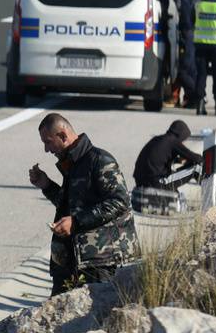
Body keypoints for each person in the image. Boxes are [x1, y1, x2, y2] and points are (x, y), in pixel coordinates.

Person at [28, 113, 137, 292]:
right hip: (71, 262)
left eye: (48, 142)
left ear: (62, 136)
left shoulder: (99, 160)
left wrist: (75, 222)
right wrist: (46, 185)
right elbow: (72, 205)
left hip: (99, 262)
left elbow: (119, 202)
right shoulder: (73, 163)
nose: (46, 150)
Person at [134, 118, 204, 192]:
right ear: (181, 135)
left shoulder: (158, 139)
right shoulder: (173, 141)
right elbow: (197, 159)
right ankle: (211, 195)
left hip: (141, 182)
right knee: (196, 168)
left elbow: (157, 158)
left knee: (177, 195)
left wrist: (178, 160)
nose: (182, 142)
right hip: (156, 183)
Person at [170, 0, 197, 106]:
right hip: (185, 37)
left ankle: (196, 95)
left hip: (188, 37)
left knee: (184, 71)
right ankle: (189, 98)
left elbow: (187, 20)